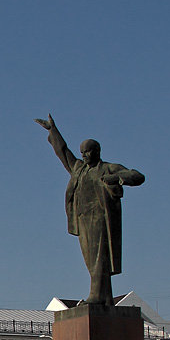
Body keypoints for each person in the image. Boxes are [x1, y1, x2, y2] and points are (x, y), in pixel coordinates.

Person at [35, 114, 145, 305]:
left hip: (101, 217)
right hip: (83, 218)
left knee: (98, 257)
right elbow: (63, 151)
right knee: (91, 259)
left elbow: (137, 176)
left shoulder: (108, 168)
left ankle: (96, 296)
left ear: (97, 151)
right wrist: (53, 131)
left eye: (87, 152)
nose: (84, 155)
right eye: (82, 152)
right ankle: (106, 298)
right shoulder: (79, 169)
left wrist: (117, 179)